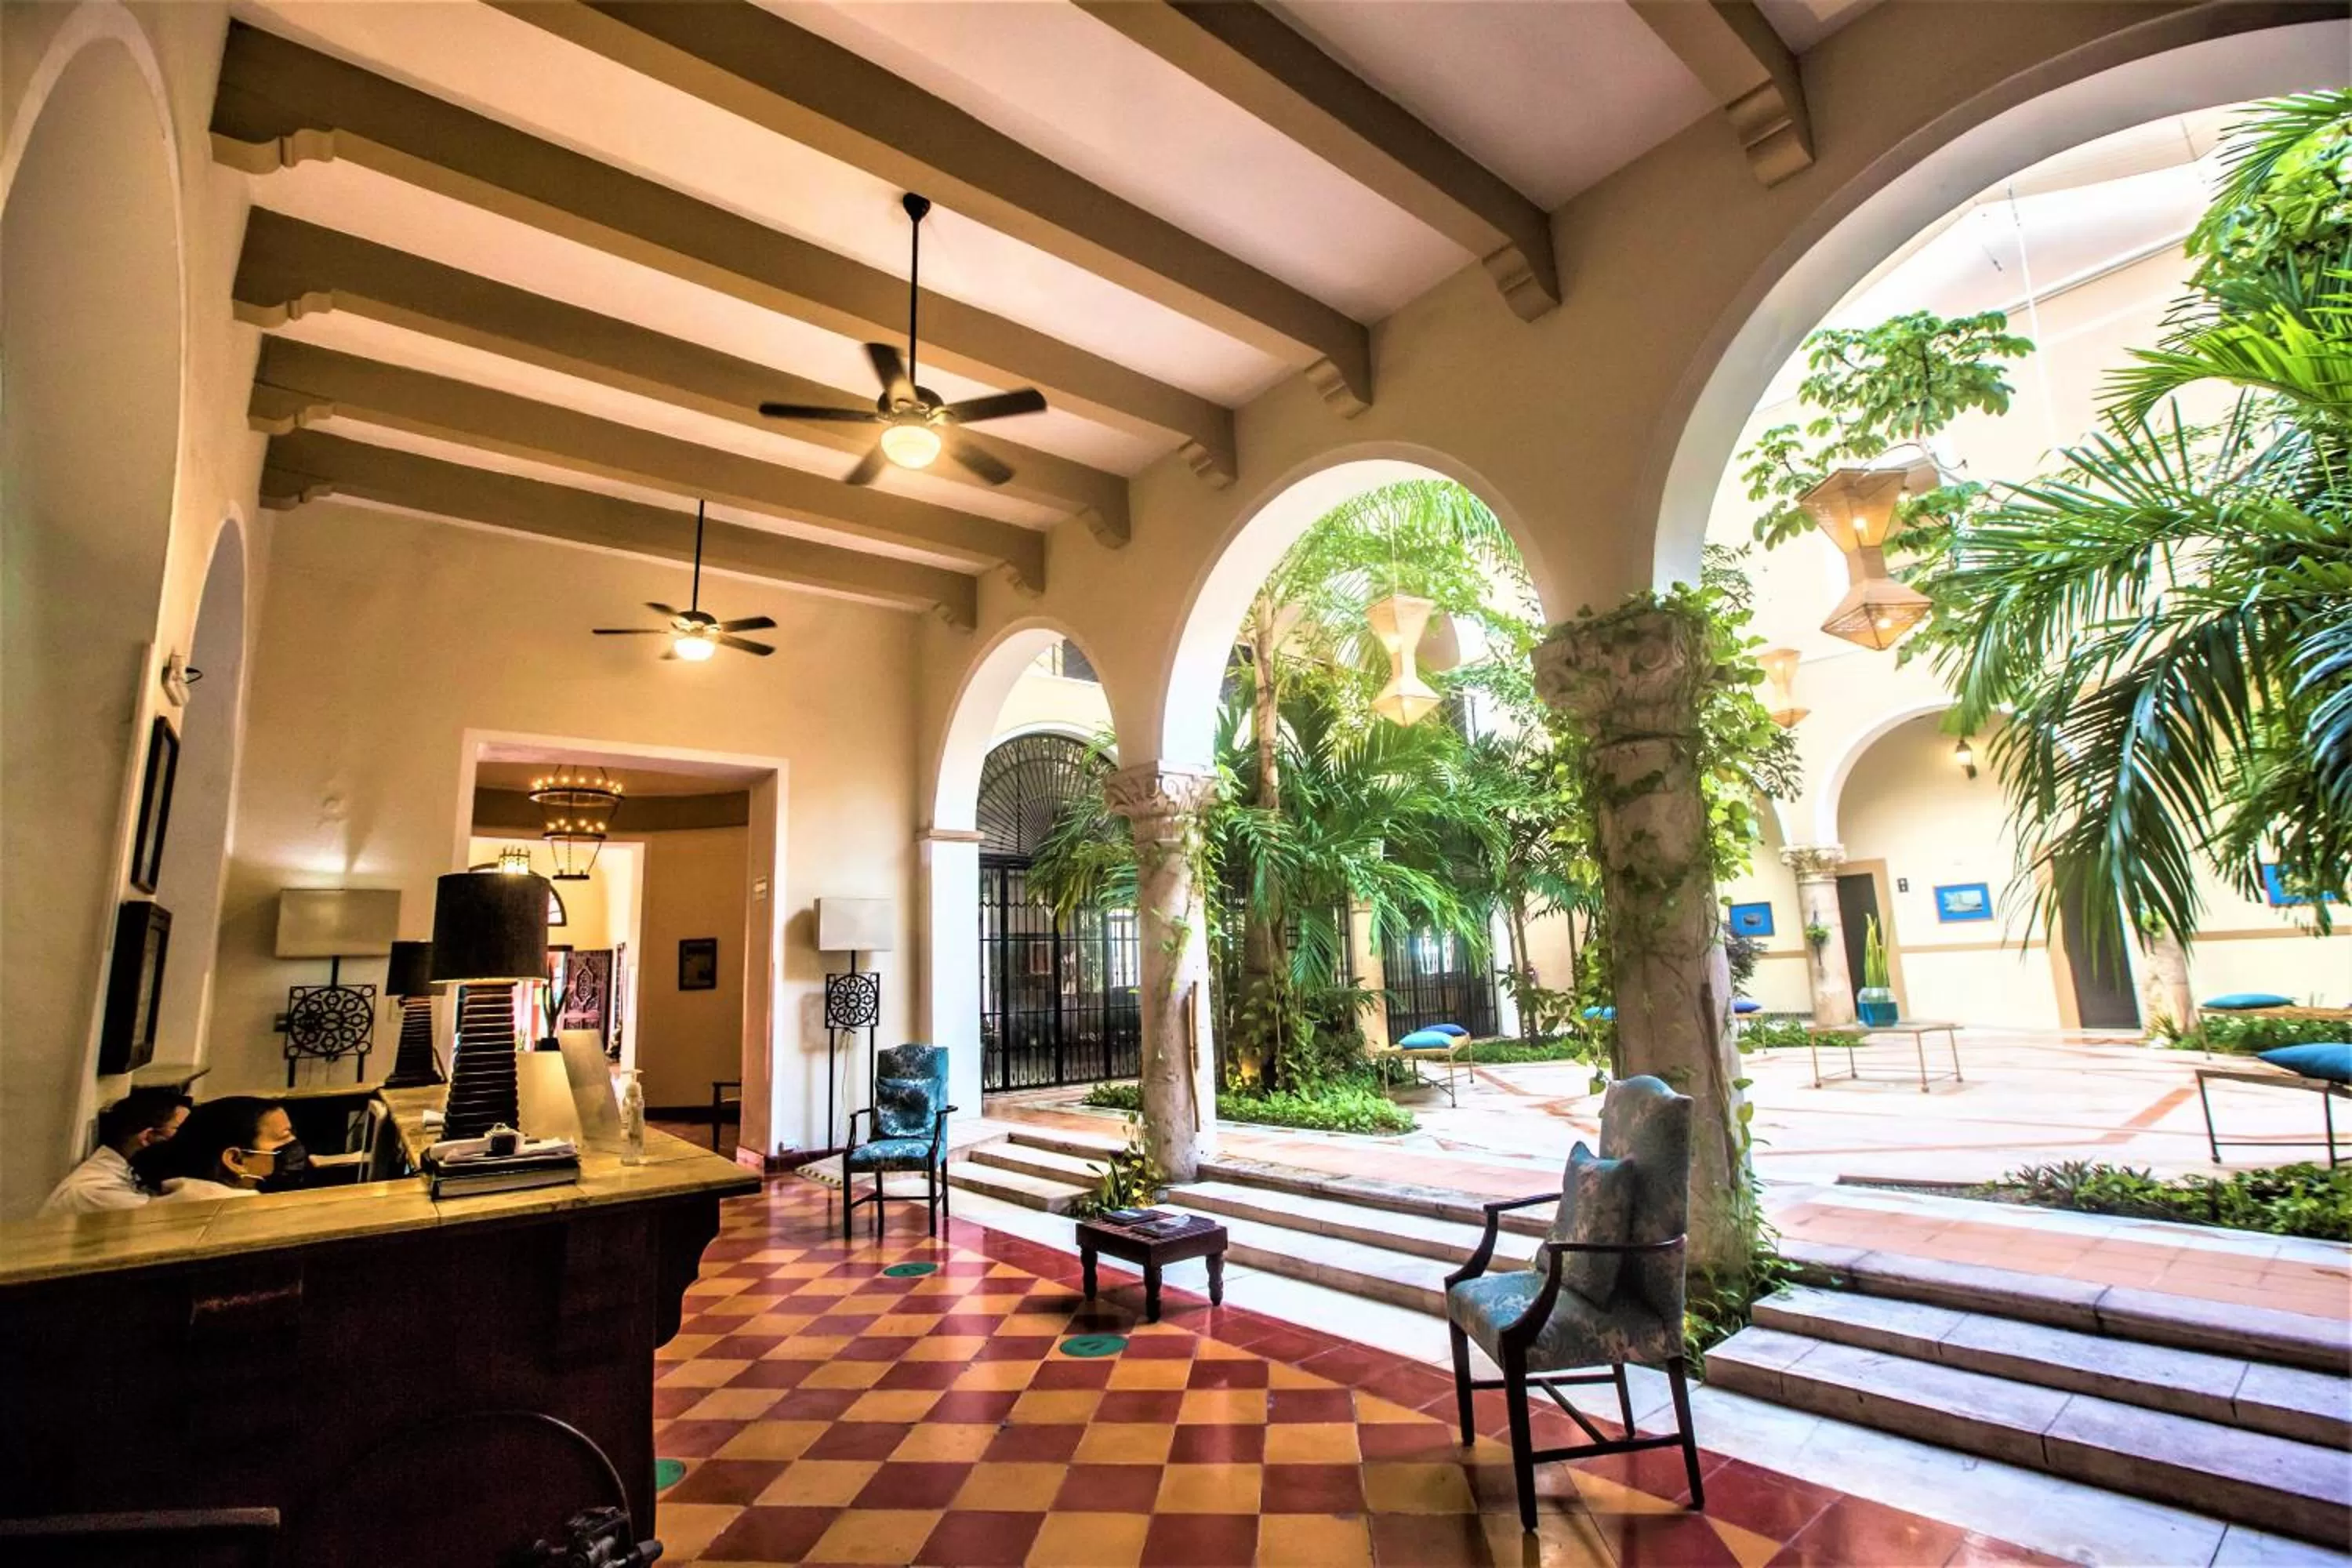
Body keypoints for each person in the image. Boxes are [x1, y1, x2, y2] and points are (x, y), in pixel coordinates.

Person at [37, 1088, 191, 1215]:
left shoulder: (127, 1172)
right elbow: (163, 1217)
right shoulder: (96, 1190)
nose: (189, 1136)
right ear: (147, 1136)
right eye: (179, 1129)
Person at [138, 1096, 307, 1203]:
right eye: (284, 1137)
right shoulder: (244, 1215)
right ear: (235, 1160)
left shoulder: (179, 1196)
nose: (294, 1145)